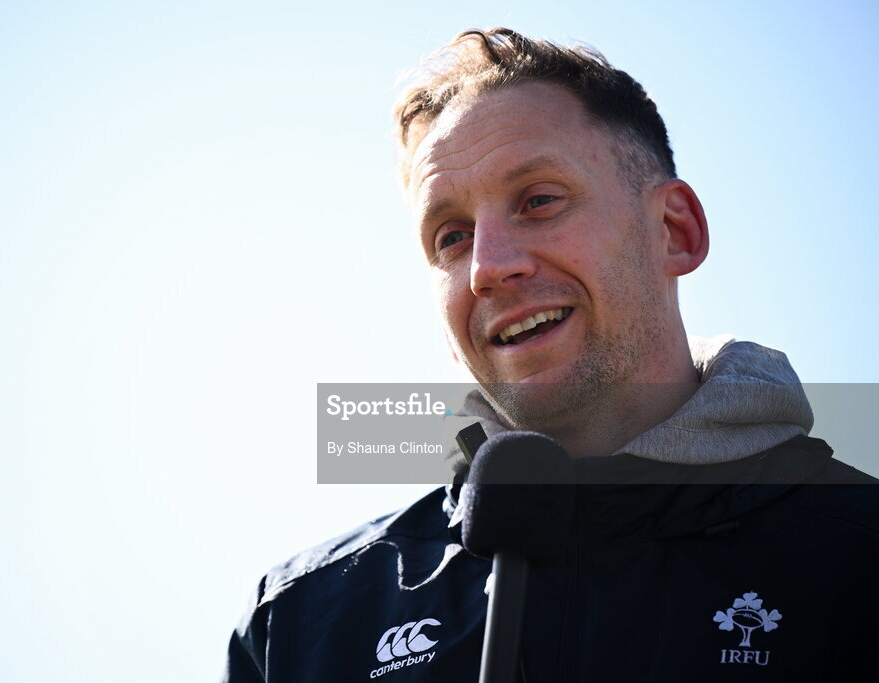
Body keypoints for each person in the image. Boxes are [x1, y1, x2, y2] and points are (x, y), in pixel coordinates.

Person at [223, 28, 878, 682]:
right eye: (451, 236)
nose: (487, 267)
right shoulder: (300, 625)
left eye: (538, 200)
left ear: (674, 231)